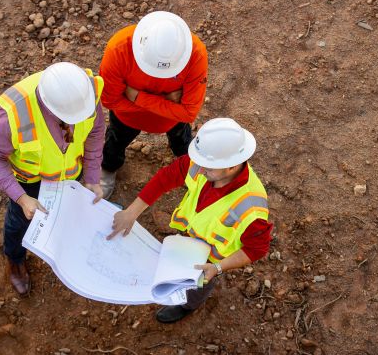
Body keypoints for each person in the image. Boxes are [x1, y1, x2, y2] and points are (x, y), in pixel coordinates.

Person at [108, 118, 273, 323]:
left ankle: (188, 305)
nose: (200, 170)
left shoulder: (252, 209)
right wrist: (131, 212)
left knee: (199, 285)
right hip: (190, 240)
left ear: (231, 167)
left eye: (209, 168)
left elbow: (255, 249)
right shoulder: (204, 164)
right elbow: (165, 177)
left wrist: (218, 268)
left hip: (210, 260)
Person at [0, 62, 105, 296]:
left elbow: (95, 132)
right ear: (49, 106)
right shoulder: (12, 115)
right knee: (18, 223)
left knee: (66, 212)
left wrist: (92, 178)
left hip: (71, 173)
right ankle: (15, 259)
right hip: (30, 184)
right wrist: (22, 198)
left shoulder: (85, 93)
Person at [98, 11, 208, 199]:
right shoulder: (118, 49)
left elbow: (189, 113)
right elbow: (109, 100)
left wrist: (137, 97)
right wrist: (168, 102)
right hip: (130, 118)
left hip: (170, 120)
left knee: (182, 143)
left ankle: (191, 170)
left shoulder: (196, 54)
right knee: (115, 142)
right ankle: (109, 168)